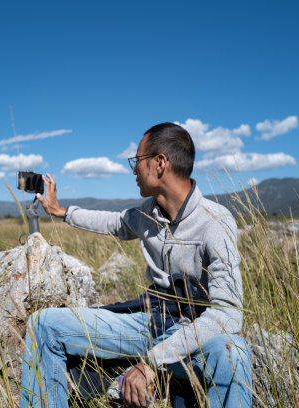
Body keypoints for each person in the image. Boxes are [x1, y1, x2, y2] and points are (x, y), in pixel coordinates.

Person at [20, 122, 252, 408]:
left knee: (233, 352)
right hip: (147, 324)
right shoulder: (148, 213)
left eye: (137, 160)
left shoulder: (215, 221)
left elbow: (228, 315)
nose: (133, 169)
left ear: (160, 162)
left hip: (192, 334)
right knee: (43, 324)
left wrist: (152, 362)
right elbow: (115, 222)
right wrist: (61, 212)